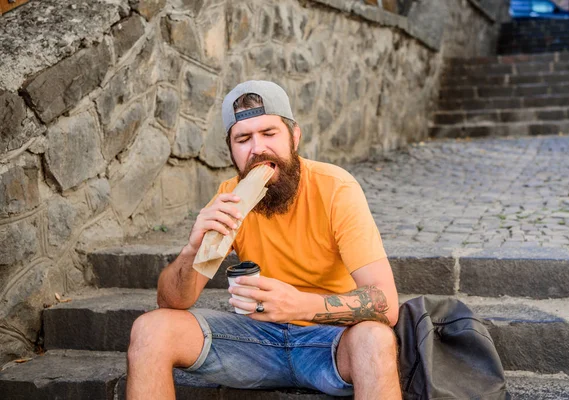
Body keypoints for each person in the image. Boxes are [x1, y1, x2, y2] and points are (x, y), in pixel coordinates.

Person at [126, 80, 401, 399]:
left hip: (329, 342)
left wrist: (299, 305)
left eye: (269, 133)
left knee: (376, 338)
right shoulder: (229, 198)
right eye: (243, 139)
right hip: (255, 342)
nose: (257, 149)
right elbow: (173, 302)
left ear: (294, 136)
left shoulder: (336, 189)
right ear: (231, 150)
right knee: (151, 328)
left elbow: (386, 303)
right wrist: (192, 249)